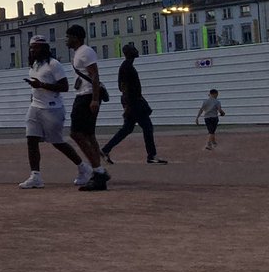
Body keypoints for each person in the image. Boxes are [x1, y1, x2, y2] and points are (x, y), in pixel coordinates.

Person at [19, 35, 92, 189]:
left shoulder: (54, 64)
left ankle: (83, 167)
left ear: (44, 48)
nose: (33, 50)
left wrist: (41, 85)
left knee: (57, 142)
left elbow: (64, 87)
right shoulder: (34, 65)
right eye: (32, 47)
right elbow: (36, 86)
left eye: (37, 47)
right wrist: (35, 92)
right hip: (35, 107)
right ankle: (35, 176)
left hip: (52, 108)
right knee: (31, 140)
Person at [100, 43, 168, 166]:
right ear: (130, 53)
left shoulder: (126, 66)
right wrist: (127, 106)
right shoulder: (127, 67)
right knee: (147, 127)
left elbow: (123, 87)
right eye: (134, 49)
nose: (137, 51)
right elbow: (124, 87)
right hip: (134, 103)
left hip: (133, 102)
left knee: (127, 129)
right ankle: (151, 156)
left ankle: (105, 149)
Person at [66, 24, 110, 191]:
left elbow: (94, 74)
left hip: (86, 97)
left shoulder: (85, 52)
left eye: (68, 37)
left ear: (76, 37)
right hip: (85, 95)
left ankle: (98, 171)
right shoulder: (79, 53)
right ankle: (98, 171)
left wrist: (95, 99)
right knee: (88, 135)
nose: (66, 40)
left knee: (76, 133)